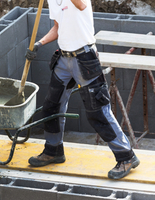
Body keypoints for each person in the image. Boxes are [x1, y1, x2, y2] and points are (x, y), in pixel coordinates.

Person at [25, 0, 140, 180]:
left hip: (84, 58)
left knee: (98, 111)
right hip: (63, 59)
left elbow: (80, 5)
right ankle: (53, 150)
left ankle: (126, 156)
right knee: (51, 106)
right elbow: (57, 27)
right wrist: (39, 44)